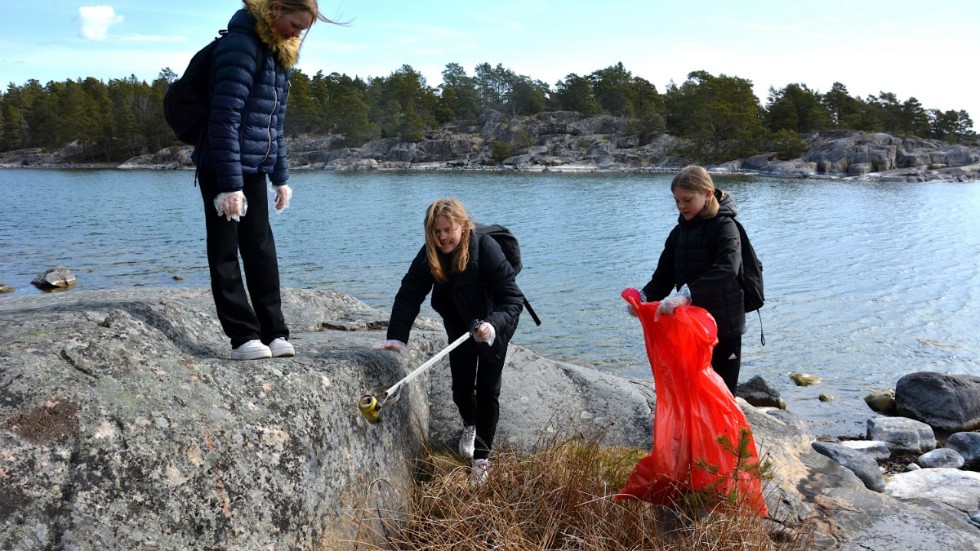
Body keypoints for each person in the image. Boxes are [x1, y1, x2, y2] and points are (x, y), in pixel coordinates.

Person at [192, 0, 331, 360]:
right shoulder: (239, 46)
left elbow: (274, 125)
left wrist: (280, 178)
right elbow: (224, 119)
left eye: (302, 30)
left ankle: (274, 332)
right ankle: (243, 337)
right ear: (275, 10)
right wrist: (229, 186)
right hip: (221, 167)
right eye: (294, 25)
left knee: (260, 248)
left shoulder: (278, 56)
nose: (296, 34)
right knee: (225, 251)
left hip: (253, 166)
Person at [380, 199, 524, 485]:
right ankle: (471, 424)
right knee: (461, 389)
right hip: (459, 322)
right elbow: (409, 294)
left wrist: (491, 327)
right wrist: (397, 337)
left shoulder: (486, 248)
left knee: (487, 390)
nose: (443, 237)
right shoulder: (430, 253)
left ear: (463, 226)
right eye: (437, 231)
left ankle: (481, 460)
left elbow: (512, 299)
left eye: (449, 230)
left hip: (494, 322)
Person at [632, 165, 746, 393]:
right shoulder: (679, 233)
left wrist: (686, 294)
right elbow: (663, 276)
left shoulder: (725, 226)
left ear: (707, 194)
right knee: (692, 389)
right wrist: (643, 297)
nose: (681, 206)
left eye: (687, 200)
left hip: (723, 328)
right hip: (690, 327)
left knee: (722, 391)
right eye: (677, 200)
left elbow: (728, 268)